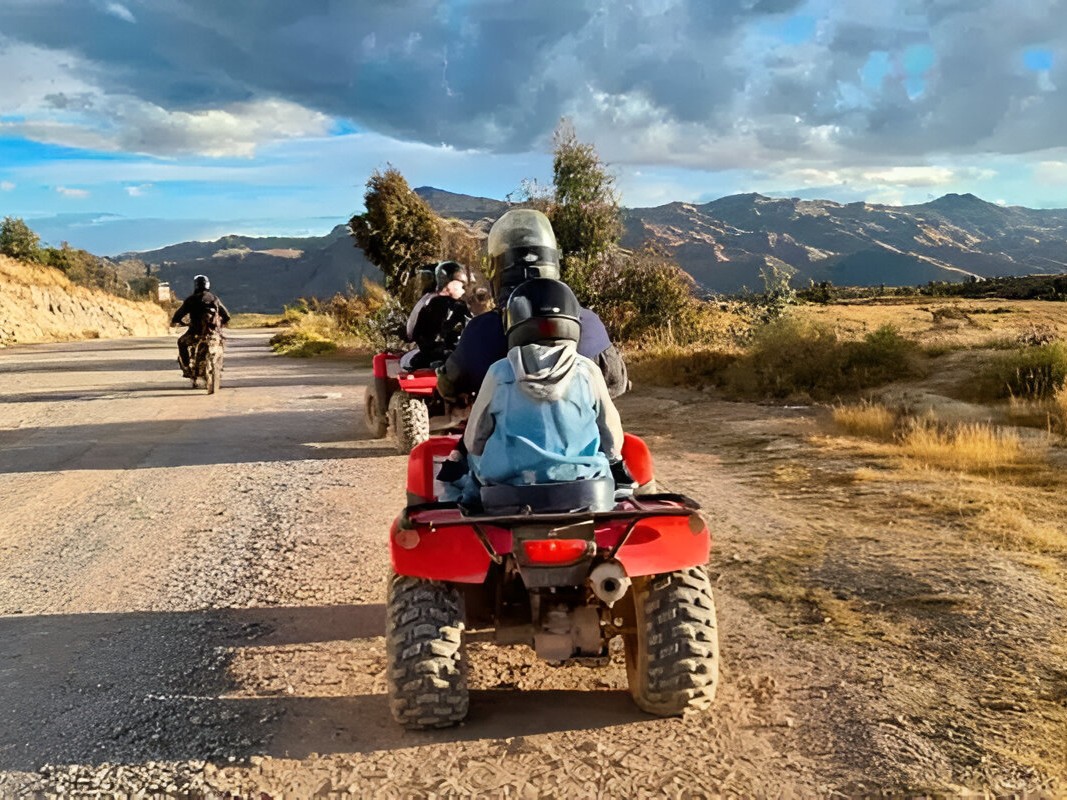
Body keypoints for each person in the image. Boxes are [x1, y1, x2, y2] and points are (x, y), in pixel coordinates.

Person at [442, 278, 630, 509]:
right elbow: (612, 439)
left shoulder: (499, 371)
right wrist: (612, 460)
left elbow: (474, 441)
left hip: (508, 494)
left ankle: (466, 511)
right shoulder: (588, 371)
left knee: (462, 469)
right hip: (584, 491)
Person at [436, 209, 628, 401]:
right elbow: (617, 384)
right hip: (580, 430)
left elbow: (449, 387)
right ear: (553, 262)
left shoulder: (480, 332)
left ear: (498, 271)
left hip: (507, 430)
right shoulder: (590, 323)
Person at [405, 261, 472, 369]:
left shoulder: (428, 297)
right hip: (433, 356)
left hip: (423, 352)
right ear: (449, 283)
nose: (463, 290)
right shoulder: (441, 303)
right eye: (461, 285)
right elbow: (438, 335)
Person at [170, 274, 230, 377]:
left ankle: (187, 367)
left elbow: (179, 314)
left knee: (181, 342)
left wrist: (177, 321)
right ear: (208, 285)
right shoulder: (213, 298)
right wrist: (222, 323)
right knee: (221, 342)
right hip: (212, 332)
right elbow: (226, 315)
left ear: (196, 285)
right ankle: (219, 365)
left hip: (195, 332)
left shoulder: (191, 300)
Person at [404, 267, 437, 342]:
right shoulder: (428, 297)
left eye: (423, 279)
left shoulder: (429, 297)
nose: (419, 282)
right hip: (415, 336)